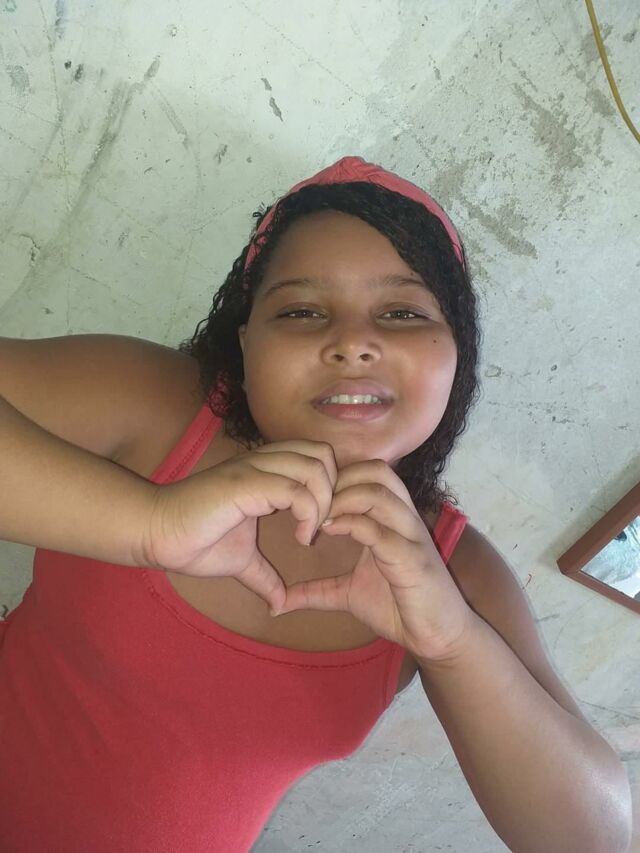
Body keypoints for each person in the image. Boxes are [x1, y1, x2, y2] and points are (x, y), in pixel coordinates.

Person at [0, 156, 632, 852]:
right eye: (302, 311)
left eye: (402, 312)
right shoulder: (151, 404)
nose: (352, 343)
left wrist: (452, 640)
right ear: (246, 342)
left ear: (457, 353)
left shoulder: (454, 570)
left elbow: (597, 840)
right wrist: (149, 523)